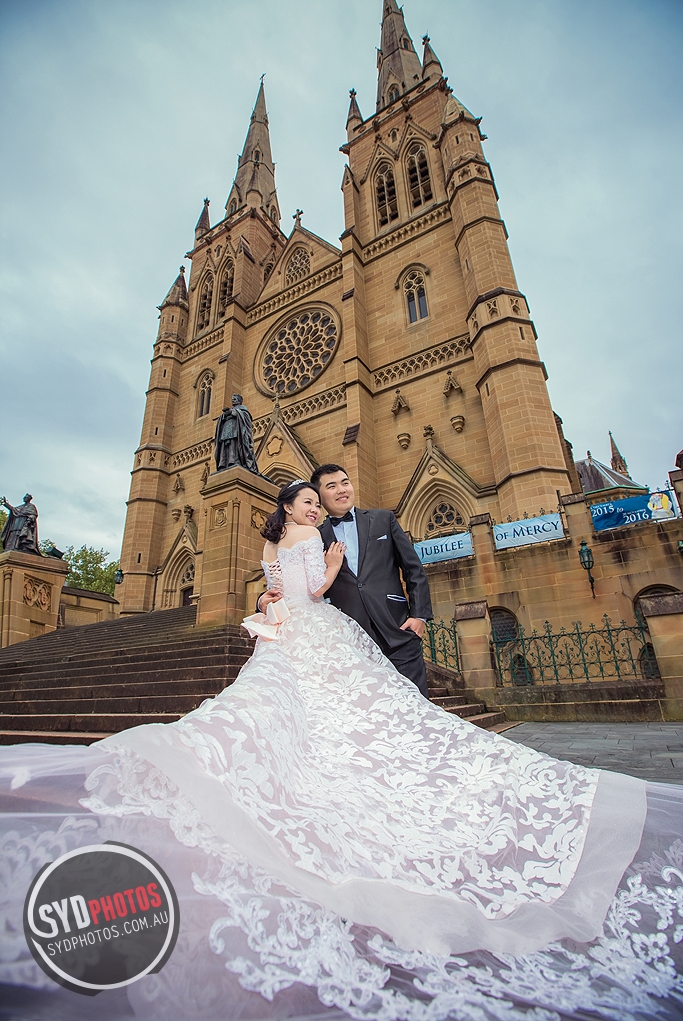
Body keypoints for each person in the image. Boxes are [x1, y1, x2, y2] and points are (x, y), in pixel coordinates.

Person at [0, 479, 682, 1021]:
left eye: (315, 499)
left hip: (290, 629)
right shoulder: (314, 540)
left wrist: (278, 601)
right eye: (307, 500)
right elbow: (313, 591)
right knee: (349, 711)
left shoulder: (274, 543)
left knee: (289, 709)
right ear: (294, 507)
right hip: (316, 624)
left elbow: (273, 590)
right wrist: (327, 567)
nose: (315, 507)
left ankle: (254, 768)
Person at [257, 464, 433, 696]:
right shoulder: (314, 533)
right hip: (349, 643)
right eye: (332, 486)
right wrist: (261, 601)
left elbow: (413, 568)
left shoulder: (383, 519)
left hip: (397, 630)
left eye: (345, 482)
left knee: (416, 703)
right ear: (320, 497)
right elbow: (292, 581)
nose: (342, 489)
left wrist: (419, 616)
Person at [214, 393, 259, 473]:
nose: (233, 401)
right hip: (226, 430)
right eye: (232, 399)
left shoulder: (243, 409)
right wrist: (224, 415)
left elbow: (246, 419)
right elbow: (222, 419)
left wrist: (233, 412)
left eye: (235, 399)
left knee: (233, 445)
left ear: (239, 401)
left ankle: (233, 460)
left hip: (235, 430)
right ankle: (223, 463)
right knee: (224, 446)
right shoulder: (232, 409)